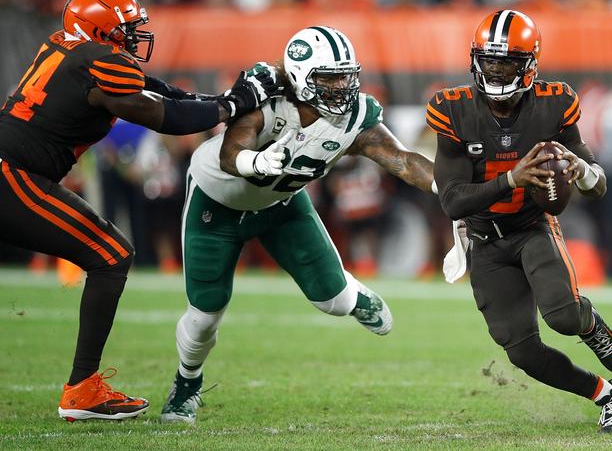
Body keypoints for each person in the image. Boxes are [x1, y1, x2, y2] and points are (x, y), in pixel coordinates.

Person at [0, 0, 280, 422]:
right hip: (10, 174)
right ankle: (82, 389)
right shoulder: (98, 61)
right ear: (102, 29)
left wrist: (223, 100)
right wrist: (233, 104)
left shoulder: (72, 50)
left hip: (15, 170)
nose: (135, 37)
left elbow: (160, 91)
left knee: (110, 253)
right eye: (127, 28)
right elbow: (161, 116)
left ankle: (83, 387)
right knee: (111, 254)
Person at [159, 25, 437, 424]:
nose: (343, 86)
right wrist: (251, 162)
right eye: (330, 78)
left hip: (280, 205)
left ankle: (356, 296)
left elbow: (404, 160)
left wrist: (450, 186)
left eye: (347, 75)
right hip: (216, 206)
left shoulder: (355, 117)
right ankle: (186, 385)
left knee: (334, 301)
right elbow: (230, 148)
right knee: (204, 316)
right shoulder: (267, 99)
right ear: (302, 77)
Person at [430, 10, 612, 433]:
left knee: (562, 315)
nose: (496, 70)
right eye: (489, 61)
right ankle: (609, 396)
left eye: (506, 62)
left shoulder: (554, 102)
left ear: (529, 64)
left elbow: (598, 184)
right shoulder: (452, 109)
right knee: (522, 353)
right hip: (484, 238)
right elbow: (452, 202)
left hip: (532, 227)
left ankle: (589, 322)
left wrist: (580, 169)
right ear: (475, 60)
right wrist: (511, 178)